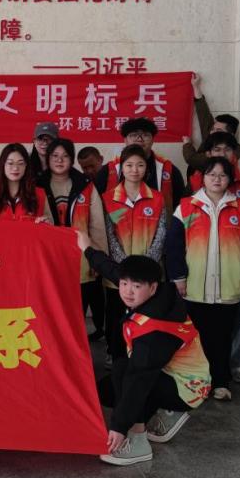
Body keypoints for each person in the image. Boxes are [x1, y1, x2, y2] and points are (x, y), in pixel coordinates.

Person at [77, 232, 210, 467]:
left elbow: (138, 378)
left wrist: (119, 427)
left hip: (187, 387)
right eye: (124, 284)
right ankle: (165, 412)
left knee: (125, 375)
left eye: (136, 286)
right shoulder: (155, 293)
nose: (127, 291)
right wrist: (86, 248)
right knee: (107, 391)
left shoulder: (155, 331)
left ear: (152, 287)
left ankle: (138, 442)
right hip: (168, 372)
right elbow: (113, 270)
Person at [167, 157, 240, 402]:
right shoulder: (186, 206)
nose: (217, 179)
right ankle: (198, 383)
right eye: (212, 174)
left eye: (222, 175)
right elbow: (174, 247)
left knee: (223, 337)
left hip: (229, 285)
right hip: (195, 286)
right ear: (202, 178)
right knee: (196, 338)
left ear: (230, 179)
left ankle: (220, 382)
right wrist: (178, 277)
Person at [101, 144, 168, 361]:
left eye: (140, 165)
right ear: (121, 168)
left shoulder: (157, 198)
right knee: (116, 317)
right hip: (118, 274)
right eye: (129, 165)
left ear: (146, 168)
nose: (134, 170)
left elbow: (161, 232)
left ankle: (142, 357)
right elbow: (108, 235)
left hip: (148, 273)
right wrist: (125, 267)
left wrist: (146, 266)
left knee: (147, 318)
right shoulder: (108, 198)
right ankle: (116, 356)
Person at [38, 138, 108, 341]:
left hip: (81, 262)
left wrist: (98, 259)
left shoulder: (85, 185)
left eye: (65, 156)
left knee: (76, 317)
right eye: (55, 156)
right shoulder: (36, 185)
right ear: (48, 158)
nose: (60, 160)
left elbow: (97, 226)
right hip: (48, 262)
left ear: (72, 159)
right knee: (50, 316)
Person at [96, 118, 186, 216]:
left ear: (153, 140)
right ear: (125, 140)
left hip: (159, 224)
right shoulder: (108, 170)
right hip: (118, 224)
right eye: (133, 135)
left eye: (145, 135)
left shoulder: (169, 170)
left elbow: (180, 207)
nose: (139, 139)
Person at [182, 73, 240, 172]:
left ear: (230, 134)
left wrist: (187, 144)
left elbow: (191, 158)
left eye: (218, 130)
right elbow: (204, 114)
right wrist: (196, 86)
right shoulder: (211, 135)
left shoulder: (236, 150)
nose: (212, 132)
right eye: (213, 129)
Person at [0, 144, 49, 221]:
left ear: (26, 166)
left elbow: (51, 225)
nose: (15, 168)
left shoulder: (40, 196)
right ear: (3, 165)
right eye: (10, 163)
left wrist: (46, 223)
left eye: (20, 163)